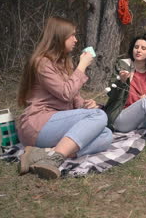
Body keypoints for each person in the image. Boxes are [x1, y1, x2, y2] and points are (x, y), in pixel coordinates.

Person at [17, 16, 113, 179]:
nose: (76, 40)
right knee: (99, 116)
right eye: (72, 35)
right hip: (38, 125)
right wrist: (82, 66)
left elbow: (72, 98)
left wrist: (85, 104)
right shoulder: (42, 63)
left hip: (55, 124)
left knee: (106, 135)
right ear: (59, 37)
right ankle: (54, 159)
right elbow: (65, 93)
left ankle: (44, 153)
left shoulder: (62, 63)